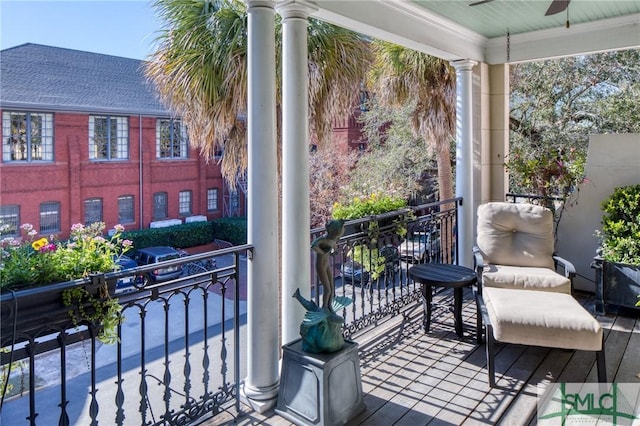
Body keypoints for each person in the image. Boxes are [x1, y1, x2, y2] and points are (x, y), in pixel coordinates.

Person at [310, 219, 345, 312]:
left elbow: (334, 248)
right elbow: (313, 246)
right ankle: (324, 307)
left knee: (332, 287)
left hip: (326, 265)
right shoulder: (324, 239)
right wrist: (322, 251)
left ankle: (329, 306)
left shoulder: (332, 240)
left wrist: (333, 252)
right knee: (327, 289)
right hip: (320, 266)